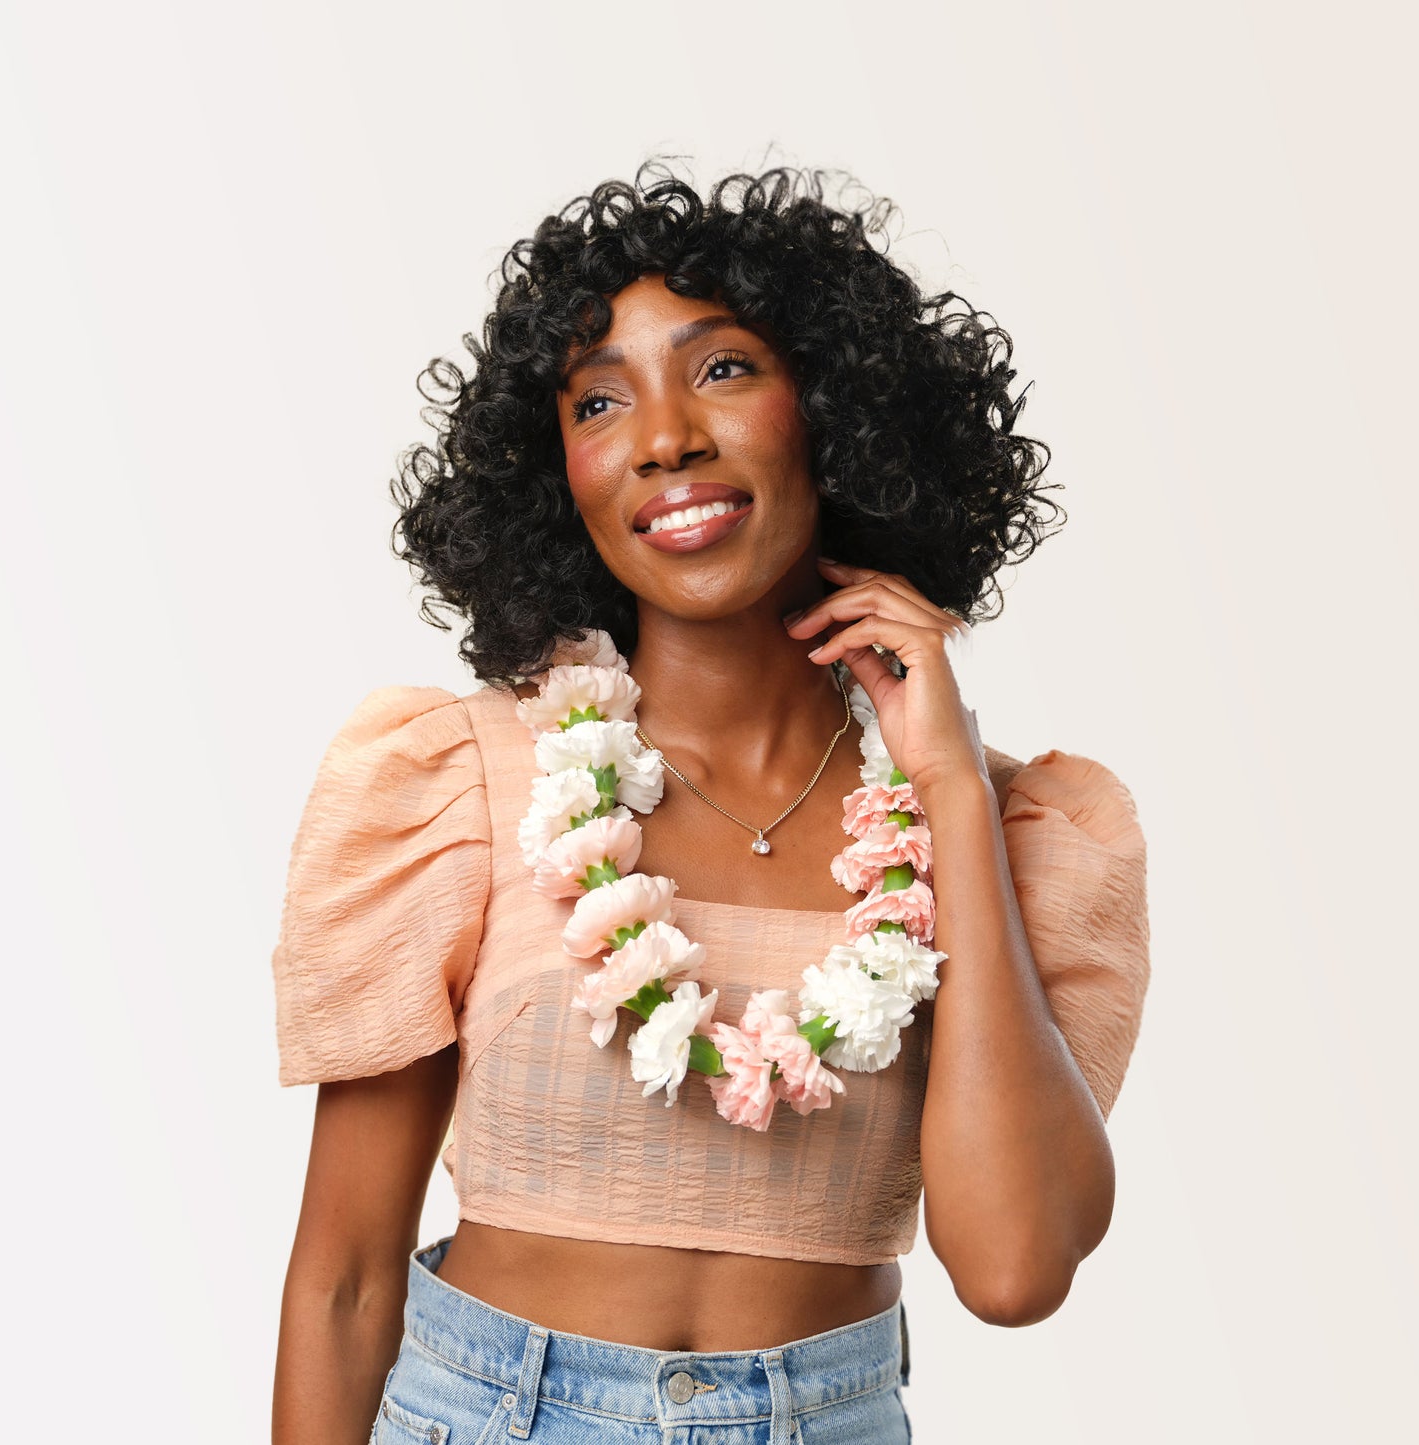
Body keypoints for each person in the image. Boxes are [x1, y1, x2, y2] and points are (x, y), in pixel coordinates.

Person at [269, 164, 1151, 1445]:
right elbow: (346, 1280)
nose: (663, 434)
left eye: (723, 369)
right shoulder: (456, 783)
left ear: (836, 416)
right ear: (556, 472)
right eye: (598, 399)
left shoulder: (1008, 834)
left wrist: (951, 796)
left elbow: (1012, 1271)